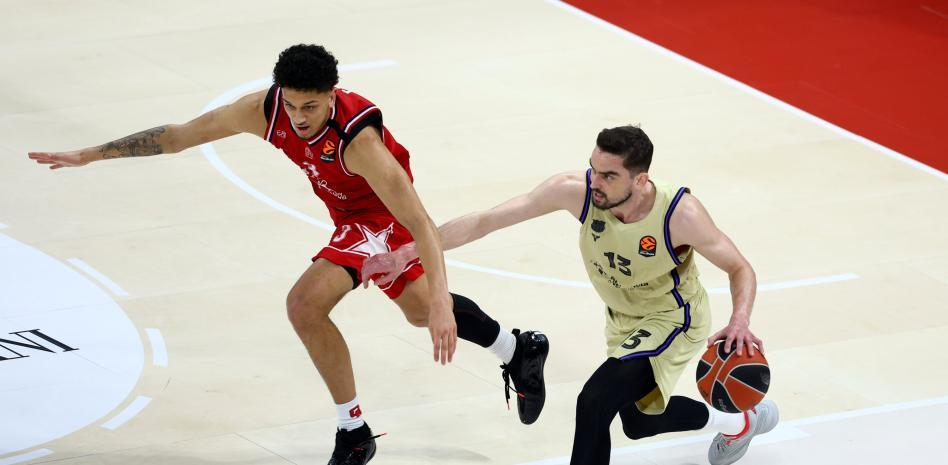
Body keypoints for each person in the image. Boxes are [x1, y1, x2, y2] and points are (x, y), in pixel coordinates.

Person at [27, 44, 549, 465]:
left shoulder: (359, 143)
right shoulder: (265, 108)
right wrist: (92, 154)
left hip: (382, 216)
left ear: (331, 96)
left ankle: (354, 432)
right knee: (414, 310)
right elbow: (181, 136)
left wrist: (441, 301)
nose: (299, 118)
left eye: (311, 107)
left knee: (306, 304)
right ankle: (516, 348)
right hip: (347, 216)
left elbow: (422, 225)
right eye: (293, 104)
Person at [361, 125, 779, 465]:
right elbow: (486, 221)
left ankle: (736, 422)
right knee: (637, 423)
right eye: (593, 169)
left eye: (609, 176)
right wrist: (408, 253)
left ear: (640, 180)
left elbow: (740, 268)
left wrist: (740, 320)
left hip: (673, 319)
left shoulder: (679, 214)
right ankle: (737, 423)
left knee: (594, 401)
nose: (595, 182)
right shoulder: (575, 190)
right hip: (623, 319)